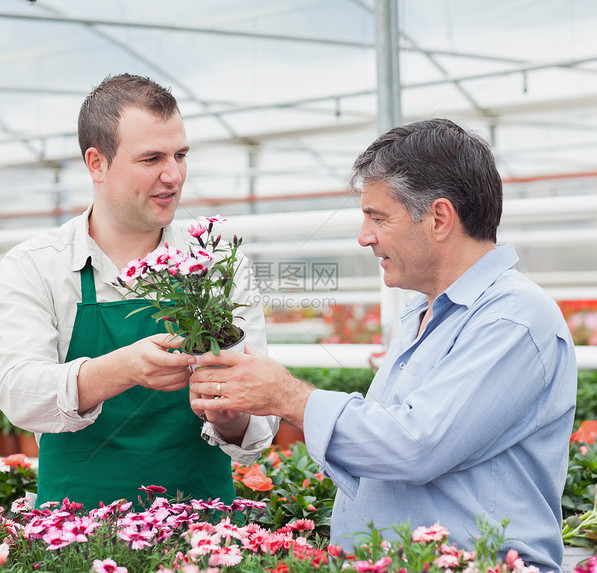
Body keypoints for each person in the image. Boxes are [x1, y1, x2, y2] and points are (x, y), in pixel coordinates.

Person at [190, 118, 576, 572]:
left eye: (378, 217)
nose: (364, 235)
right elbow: (387, 443)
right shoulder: (423, 310)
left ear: (438, 218)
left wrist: (287, 397)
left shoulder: (512, 318)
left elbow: (414, 446)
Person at [0, 73, 277, 510]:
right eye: (151, 159)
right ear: (97, 164)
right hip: (79, 532)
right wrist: (123, 368)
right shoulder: (36, 265)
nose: (173, 175)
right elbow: (19, 394)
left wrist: (232, 415)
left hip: (200, 531)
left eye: (180, 155)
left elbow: (261, 423)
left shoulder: (216, 265)